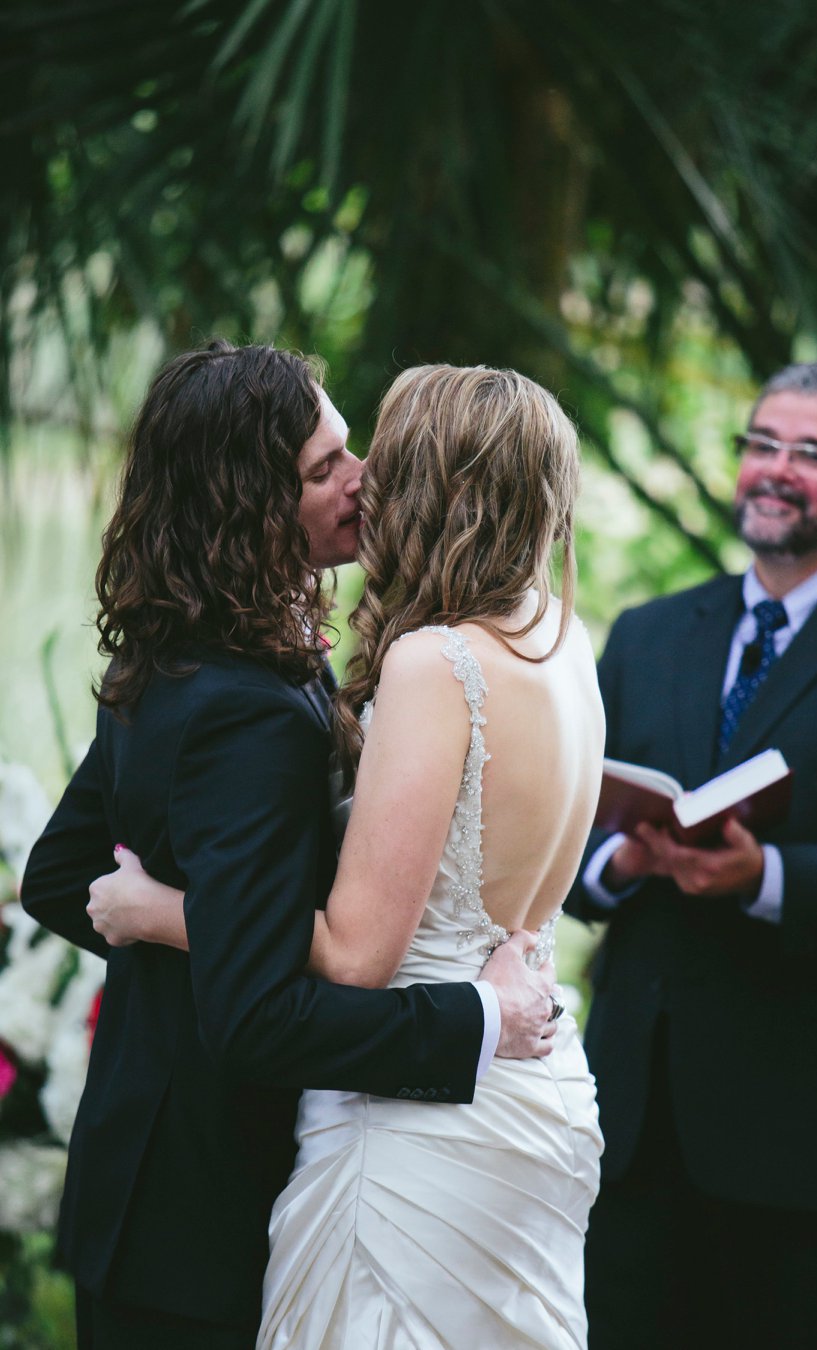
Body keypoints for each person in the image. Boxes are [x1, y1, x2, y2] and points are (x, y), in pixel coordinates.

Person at [20, 342, 559, 1350]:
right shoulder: (248, 710)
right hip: (201, 1216)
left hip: (148, 1183)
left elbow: (60, 879)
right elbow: (258, 1018)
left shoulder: (181, 649)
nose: (363, 479)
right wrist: (477, 1022)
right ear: (248, 507)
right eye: (324, 470)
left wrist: (188, 926)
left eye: (347, 446)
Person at [567, 362, 817, 1350]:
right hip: (638, 1126)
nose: (774, 468)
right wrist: (616, 865)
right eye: (761, 443)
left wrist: (767, 879)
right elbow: (570, 842)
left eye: (811, 454)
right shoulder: (648, 634)